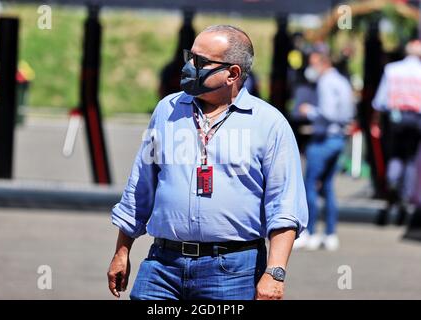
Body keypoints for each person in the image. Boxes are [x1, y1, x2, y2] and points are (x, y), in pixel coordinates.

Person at [107, 25, 308, 300]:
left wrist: (274, 273)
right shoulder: (167, 110)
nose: (189, 66)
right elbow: (140, 187)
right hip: (162, 266)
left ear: (233, 74)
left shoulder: (269, 124)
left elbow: (284, 205)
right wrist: (122, 251)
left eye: (201, 62)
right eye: (190, 56)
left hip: (233, 270)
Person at [293, 46, 355, 251]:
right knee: (328, 187)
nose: (311, 68)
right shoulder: (342, 80)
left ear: (323, 62)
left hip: (324, 139)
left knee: (309, 185)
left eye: (313, 63)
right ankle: (330, 233)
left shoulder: (326, 82)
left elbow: (328, 112)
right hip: (338, 138)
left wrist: (309, 110)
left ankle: (308, 232)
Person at [372, 39, 421, 226]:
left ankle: (392, 184)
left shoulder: (392, 70)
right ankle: (404, 195)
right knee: (410, 159)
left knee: (394, 156)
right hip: (416, 120)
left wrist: (376, 121)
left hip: (396, 120)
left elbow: (380, 100)